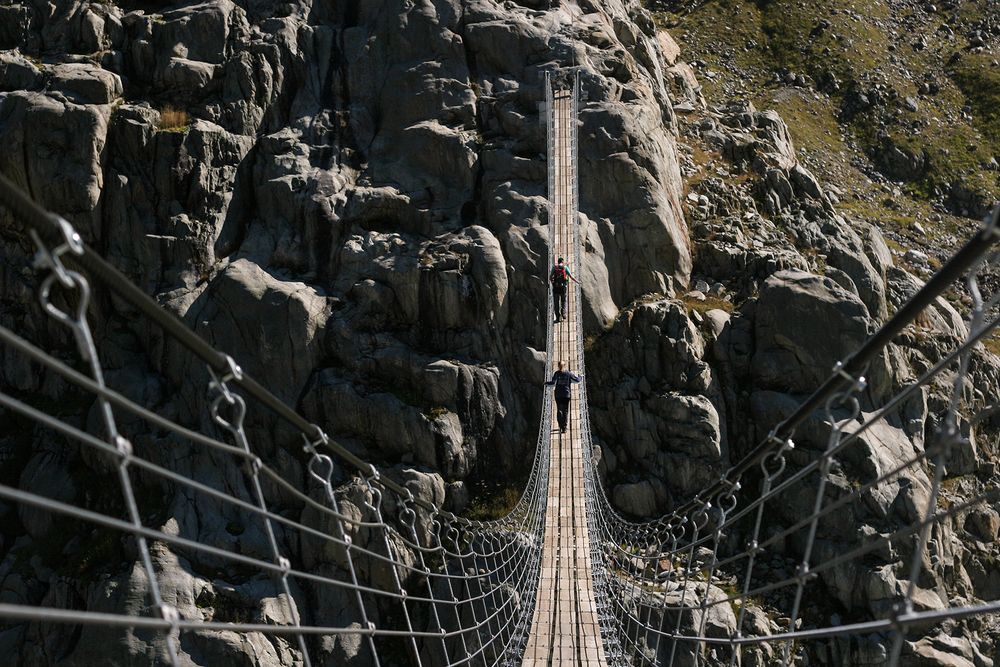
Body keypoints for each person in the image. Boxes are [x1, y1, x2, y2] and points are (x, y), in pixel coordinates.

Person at [545, 360, 581, 434]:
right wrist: (580, 377)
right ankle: (564, 428)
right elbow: (577, 380)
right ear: (565, 366)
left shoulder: (556, 373)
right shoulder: (568, 373)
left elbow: (552, 383)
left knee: (559, 410)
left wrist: (545, 383)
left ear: (558, 366)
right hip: (566, 395)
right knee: (565, 411)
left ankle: (560, 425)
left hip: (558, 395)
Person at [549, 257, 580, 323]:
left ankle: (558, 318)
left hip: (556, 288)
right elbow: (571, 277)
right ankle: (563, 313)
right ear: (562, 262)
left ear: (558, 262)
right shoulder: (565, 268)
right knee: (563, 301)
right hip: (563, 288)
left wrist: (553, 283)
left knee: (556, 303)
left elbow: (550, 277)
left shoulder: (554, 267)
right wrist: (578, 281)